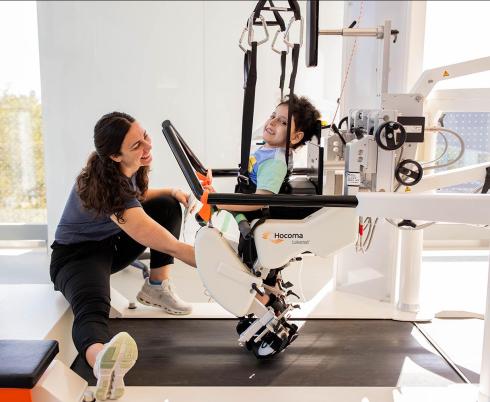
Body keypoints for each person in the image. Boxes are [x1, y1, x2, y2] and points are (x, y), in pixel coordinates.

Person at [49, 111, 196, 400]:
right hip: (76, 257)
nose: (147, 147)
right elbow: (150, 233)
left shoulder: (123, 169)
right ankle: (101, 359)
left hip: (110, 245)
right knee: (92, 307)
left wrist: (173, 191)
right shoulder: (102, 185)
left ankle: (156, 287)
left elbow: (137, 197)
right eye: (136, 146)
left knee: (166, 204)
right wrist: (203, 258)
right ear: (116, 156)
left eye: (145, 137)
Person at [206, 95, 321, 305]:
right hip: (249, 217)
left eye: (283, 122)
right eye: (273, 116)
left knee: (249, 269)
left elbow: (261, 200)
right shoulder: (268, 151)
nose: (273, 122)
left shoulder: (275, 162)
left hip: (258, 220)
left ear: (295, 137)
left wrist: (219, 202)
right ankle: (270, 292)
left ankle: (269, 300)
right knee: (247, 265)